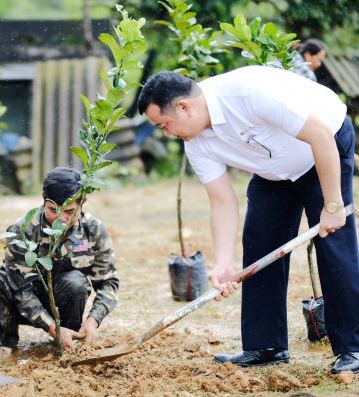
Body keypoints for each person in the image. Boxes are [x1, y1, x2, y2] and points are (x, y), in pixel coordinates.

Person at [137, 66, 359, 373]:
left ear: (184, 107)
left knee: (333, 246)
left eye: (164, 124)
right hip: (273, 171)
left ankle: (352, 348)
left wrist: (333, 204)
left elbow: (321, 135)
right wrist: (223, 263)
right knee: (259, 242)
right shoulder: (195, 142)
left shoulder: (248, 94)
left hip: (322, 147)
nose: (166, 133)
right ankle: (265, 346)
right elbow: (222, 201)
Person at [0, 167, 119, 358]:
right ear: (43, 199)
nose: (61, 220)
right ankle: (5, 335)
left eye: (70, 212)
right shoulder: (22, 230)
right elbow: (20, 289)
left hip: (61, 300)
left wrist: (93, 320)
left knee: (76, 282)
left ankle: (69, 334)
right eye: (53, 210)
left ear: (84, 201)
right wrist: (50, 326)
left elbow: (108, 282)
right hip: (20, 303)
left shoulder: (94, 230)